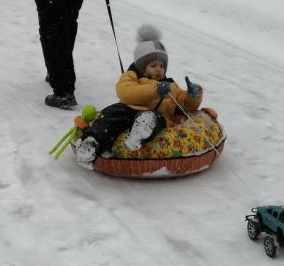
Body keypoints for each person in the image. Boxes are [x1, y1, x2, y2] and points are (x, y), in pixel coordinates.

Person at [75, 25, 204, 169]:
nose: (159, 69)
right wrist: (155, 90)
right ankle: (91, 143)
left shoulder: (171, 85)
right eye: (153, 65)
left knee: (154, 117)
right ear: (142, 67)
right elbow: (125, 92)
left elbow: (185, 105)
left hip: (155, 115)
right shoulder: (132, 76)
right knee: (112, 114)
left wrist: (194, 95)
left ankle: (140, 132)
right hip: (128, 110)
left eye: (162, 66)